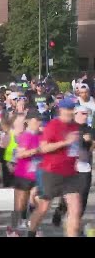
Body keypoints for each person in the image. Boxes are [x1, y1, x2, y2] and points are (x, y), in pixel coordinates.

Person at [27, 99, 80, 237]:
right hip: (51, 172)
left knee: (75, 209)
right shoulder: (53, 125)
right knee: (43, 208)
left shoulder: (75, 126)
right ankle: (31, 233)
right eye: (68, 109)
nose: (70, 112)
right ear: (61, 110)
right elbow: (43, 148)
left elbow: (74, 148)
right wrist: (65, 142)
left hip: (70, 174)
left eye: (72, 109)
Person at [52, 105, 94, 234]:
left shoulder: (90, 129)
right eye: (81, 113)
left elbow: (91, 143)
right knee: (69, 201)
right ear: (74, 114)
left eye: (86, 114)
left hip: (84, 170)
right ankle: (61, 212)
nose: (84, 116)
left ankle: (75, 225)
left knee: (82, 202)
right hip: (69, 169)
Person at [6, 110, 43, 237]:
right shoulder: (25, 136)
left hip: (37, 175)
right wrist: (36, 150)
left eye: (40, 120)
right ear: (28, 121)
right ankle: (12, 228)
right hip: (23, 175)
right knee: (19, 205)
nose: (39, 122)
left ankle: (33, 228)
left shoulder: (41, 135)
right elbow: (20, 154)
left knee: (38, 202)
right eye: (36, 120)